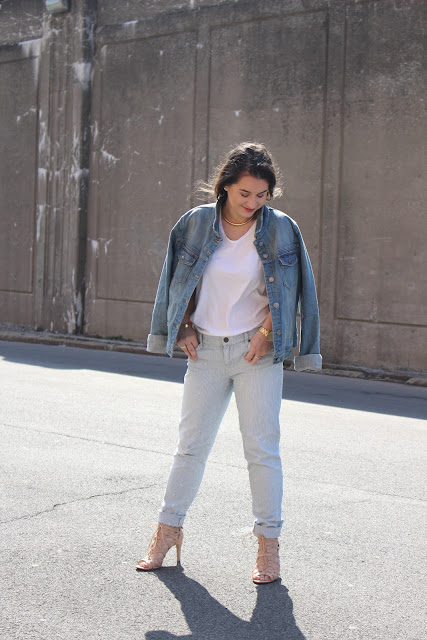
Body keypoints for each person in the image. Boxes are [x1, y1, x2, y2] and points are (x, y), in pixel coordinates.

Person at [136, 142, 321, 583]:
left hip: (256, 352)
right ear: (225, 187)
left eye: (262, 195)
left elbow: (297, 292)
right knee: (190, 447)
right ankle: (167, 532)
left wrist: (268, 334)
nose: (253, 203)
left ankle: (268, 547)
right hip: (205, 352)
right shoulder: (195, 223)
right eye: (245, 194)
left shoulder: (282, 229)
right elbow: (175, 280)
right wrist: (180, 325)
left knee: (262, 449)